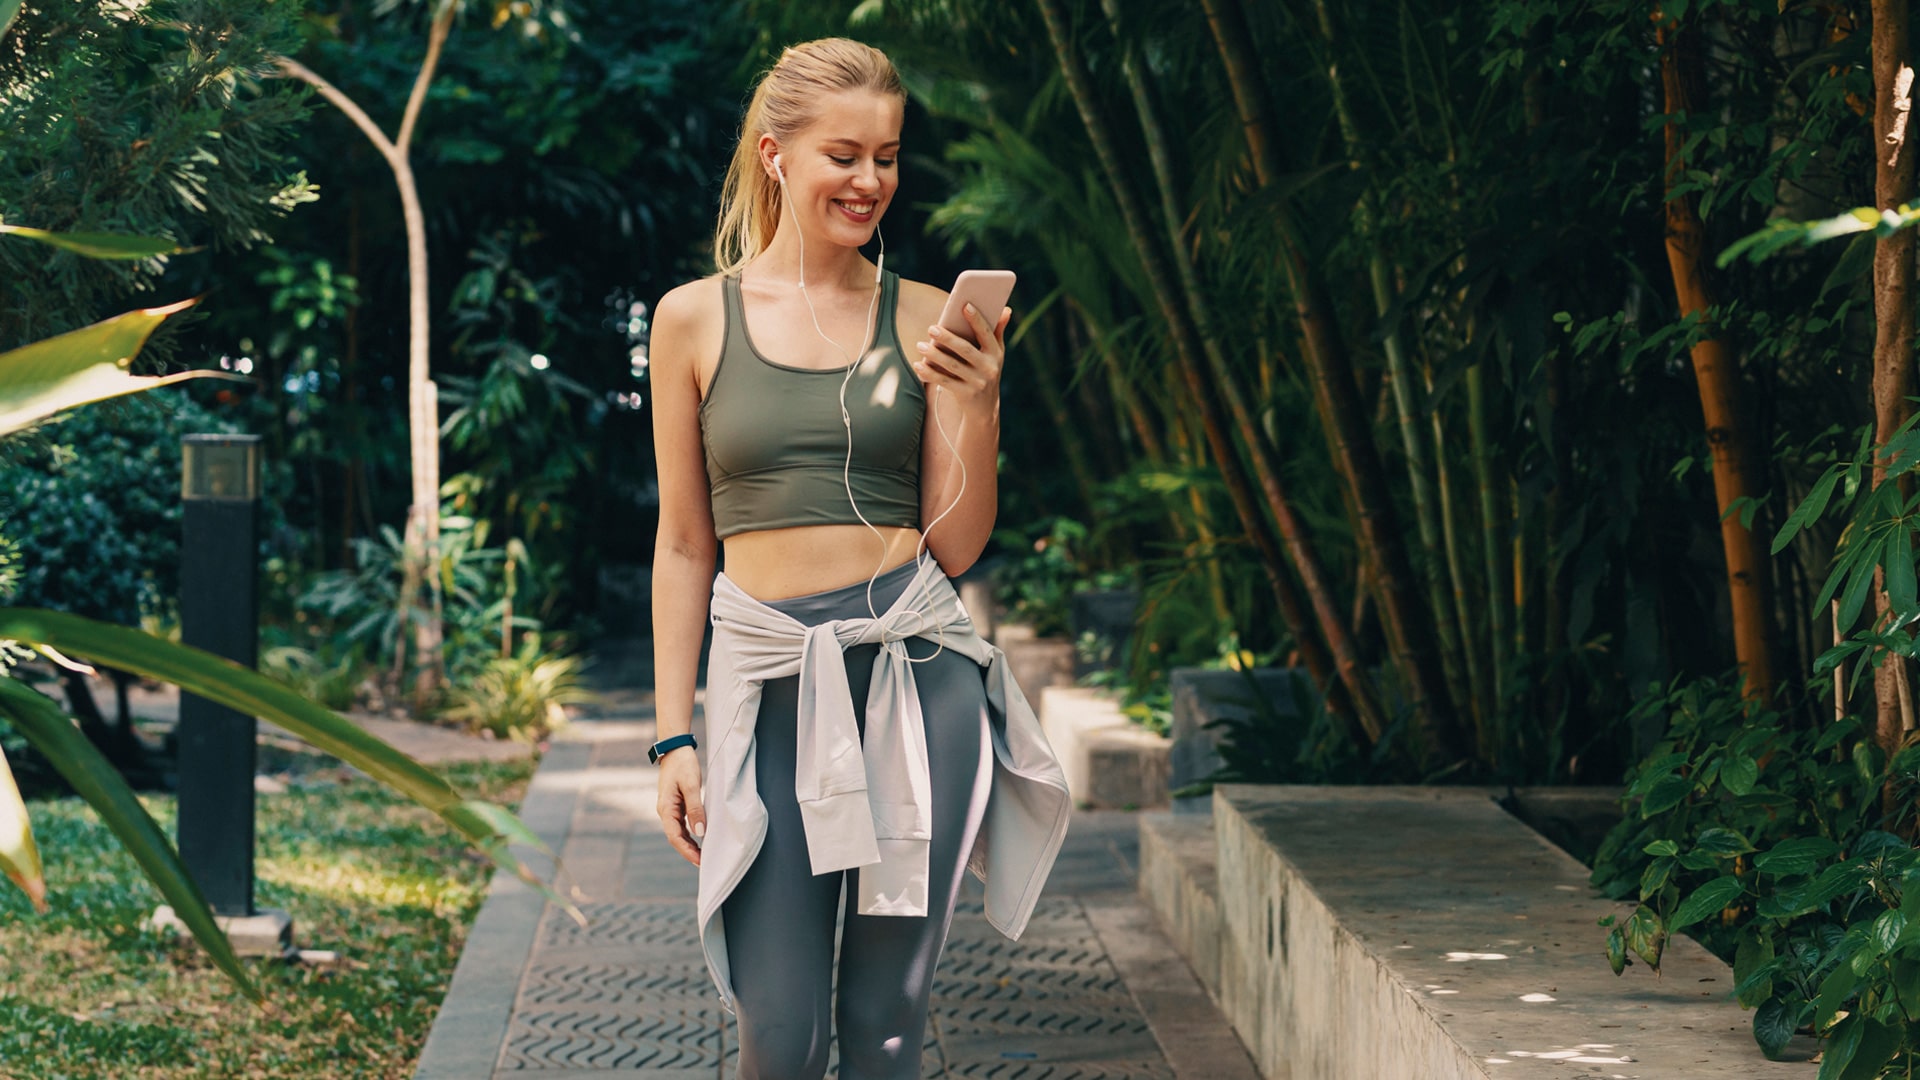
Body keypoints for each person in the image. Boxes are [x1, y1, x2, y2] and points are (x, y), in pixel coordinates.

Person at [645, 37, 1072, 1080]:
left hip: (916, 679)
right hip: (767, 681)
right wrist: (671, 740)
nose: (871, 180)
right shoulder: (693, 321)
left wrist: (978, 399)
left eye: (887, 156)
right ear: (776, 154)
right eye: (846, 154)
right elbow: (684, 542)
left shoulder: (928, 320)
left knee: (887, 1024)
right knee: (777, 1031)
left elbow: (959, 543)